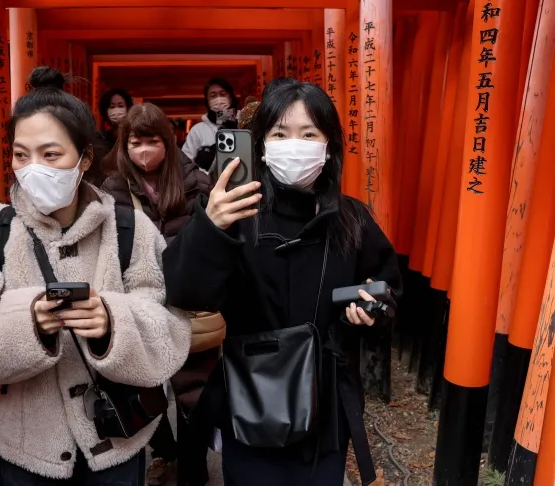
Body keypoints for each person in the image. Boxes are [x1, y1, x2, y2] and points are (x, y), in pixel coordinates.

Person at [0, 67, 191, 486]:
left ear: (84, 158)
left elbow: (169, 330)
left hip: (116, 438)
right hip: (23, 444)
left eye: (50, 155)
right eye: (20, 154)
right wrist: (26, 324)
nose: (33, 168)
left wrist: (112, 322)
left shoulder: (132, 229)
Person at [162, 80, 402, 485]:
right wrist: (211, 226)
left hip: (326, 399)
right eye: (280, 134)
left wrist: (370, 312)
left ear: (328, 145)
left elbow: (388, 290)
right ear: (262, 145)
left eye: (309, 134)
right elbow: (186, 294)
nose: (295, 144)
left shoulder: (352, 218)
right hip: (254, 394)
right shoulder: (234, 212)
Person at [101, 103, 216, 486]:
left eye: (153, 141)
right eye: (136, 142)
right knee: (142, 388)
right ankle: (165, 451)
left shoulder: (196, 181)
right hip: (138, 304)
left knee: (194, 396)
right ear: (124, 144)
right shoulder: (112, 187)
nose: (144, 150)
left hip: (190, 303)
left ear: (168, 141)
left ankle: (192, 471)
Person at [181, 77, 239, 171]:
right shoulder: (198, 130)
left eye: (223, 94)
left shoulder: (243, 123)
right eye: (213, 95)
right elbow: (184, 164)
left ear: (231, 98)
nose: (219, 99)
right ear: (207, 102)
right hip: (208, 183)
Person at [91, 88, 135, 185]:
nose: (117, 110)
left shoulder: (135, 137)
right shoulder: (99, 139)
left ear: (128, 108)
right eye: (112, 107)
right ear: (106, 111)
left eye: (120, 106)